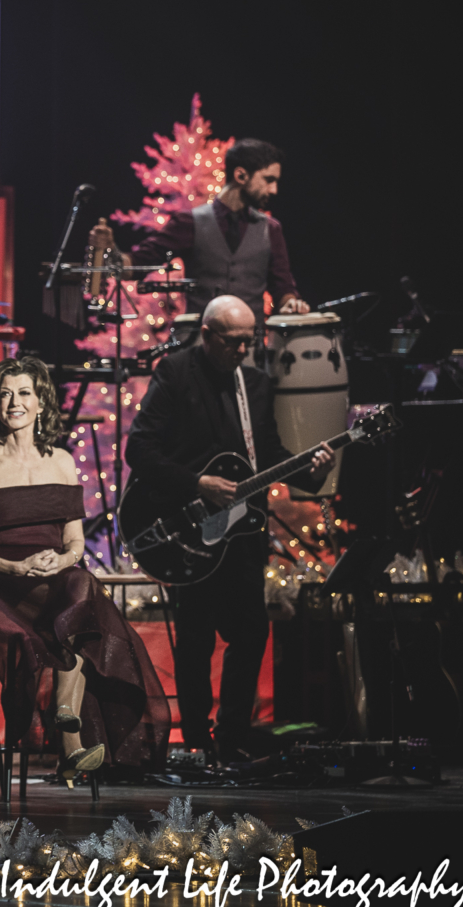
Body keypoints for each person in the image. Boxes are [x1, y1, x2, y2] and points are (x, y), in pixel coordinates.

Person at [126, 295, 335, 760]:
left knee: (251, 634)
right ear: (208, 335)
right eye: (234, 342)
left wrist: (313, 471)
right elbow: (138, 449)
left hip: (241, 536)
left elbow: (270, 456)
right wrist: (198, 483)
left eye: (249, 341)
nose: (243, 350)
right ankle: (197, 740)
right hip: (189, 530)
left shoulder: (256, 384)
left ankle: (233, 738)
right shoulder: (176, 373)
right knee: (196, 639)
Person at [0, 356, 172, 781]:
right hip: (1, 581)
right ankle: (69, 737)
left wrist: (62, 558)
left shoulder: (62, 462)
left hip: (56, 574)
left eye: (24, 393)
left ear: (41, 403)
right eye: (5, 394)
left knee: (80, 585)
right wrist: (15, 569)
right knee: (80, 601)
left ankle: (66, 713)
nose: (14, 402)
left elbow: (75, 541)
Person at [92, 138, 309, 316]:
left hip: (249, 350)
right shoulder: (189, 223)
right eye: (268, 180)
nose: (274, 190)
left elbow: (283, 288)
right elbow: (138, 265)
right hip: (198, 348)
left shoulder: (271, 229)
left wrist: (290, 303)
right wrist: (110, 251)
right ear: (240, 175)